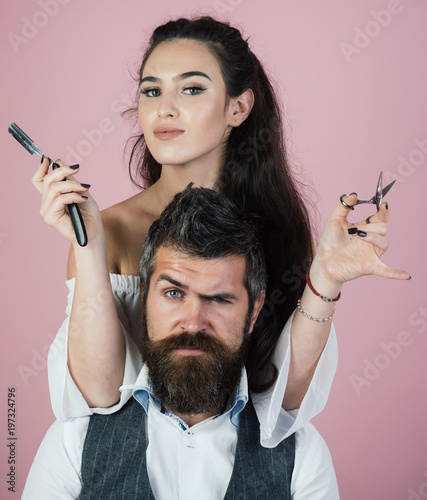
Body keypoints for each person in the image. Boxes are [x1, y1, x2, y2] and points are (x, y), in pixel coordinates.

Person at [31, 16, 409, 430]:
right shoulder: (108, 232)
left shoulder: (275, 228)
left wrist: (326, 280)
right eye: (151, 91)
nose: (165, 108)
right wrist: (89, 249)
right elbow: (95, 398)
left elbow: (282, 405)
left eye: (192, 88)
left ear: (238, 107)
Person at [23, 186, 340, 499]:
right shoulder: (73, 446)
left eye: (218, 299)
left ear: (254, 310)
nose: (193, 321)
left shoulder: (302, 458)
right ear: (145, 297)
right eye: (174, 293)